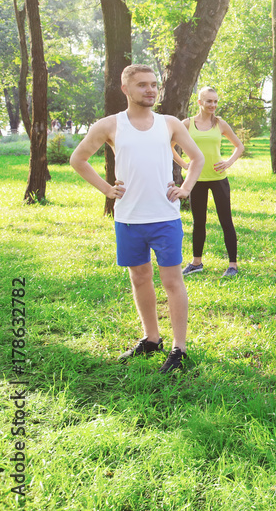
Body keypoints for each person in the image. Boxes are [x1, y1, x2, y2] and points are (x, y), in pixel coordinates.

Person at [69, 64, 204, 373]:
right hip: (129, 218)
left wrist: (185, 188)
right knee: (140, 278)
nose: (151, 90)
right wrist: (106, 189)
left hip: (165, 217)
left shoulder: (169, 123)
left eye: (154, 84)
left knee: (172, 281)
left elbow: (197, 158)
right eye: (142, 85)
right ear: (125, 89)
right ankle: (151, 338)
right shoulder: (109, 125)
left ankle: (179, 349)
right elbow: (79, 159)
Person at [172, 86, 245, 278]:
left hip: (218, 179)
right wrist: (184, 164)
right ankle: (196, 263)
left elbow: (239, 146)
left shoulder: (220, 124)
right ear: (200, 102)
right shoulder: (186, 124)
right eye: (209, 101)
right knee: (199, 222)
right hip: (196, 180)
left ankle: (233, 265)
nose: (213, 105)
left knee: (226, 221)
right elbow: (169, 145)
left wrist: (228, 162)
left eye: (215, 101)